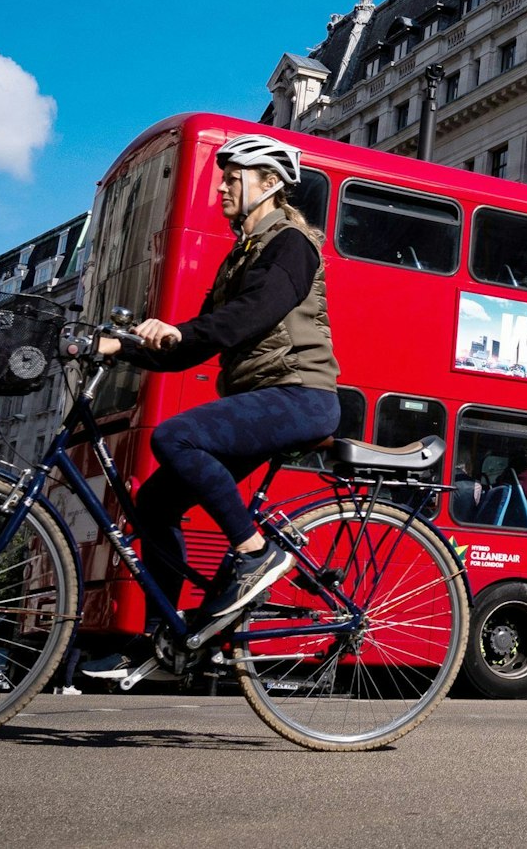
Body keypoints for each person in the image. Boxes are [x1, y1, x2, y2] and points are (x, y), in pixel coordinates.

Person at [83, 134, 341, 682]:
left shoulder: (291, 243)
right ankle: (166, 638)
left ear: (269, 184)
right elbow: (197, 344)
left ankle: (256, 551)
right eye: (222, 178)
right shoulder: (240, 255)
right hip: (262, 396)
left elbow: (252, 314)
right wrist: (124, 346)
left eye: (233, 178)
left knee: (173, 437)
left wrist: (176, 331)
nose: (222, 187)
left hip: (301, 396)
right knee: (152, 506)